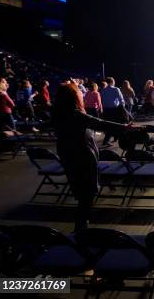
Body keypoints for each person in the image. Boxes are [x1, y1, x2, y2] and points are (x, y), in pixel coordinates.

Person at [52, 82, 130, 231]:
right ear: (73, 97)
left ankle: (81, 225)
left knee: (80, 189)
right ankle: (81, 228)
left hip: (66, 153)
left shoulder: (57, 113)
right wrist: (125, 127)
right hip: (82, 154)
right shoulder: (75, 114)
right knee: (87, 192)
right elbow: (100, 124)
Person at [99, 77, 126, 146]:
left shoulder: (103, 90)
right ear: (112, 82)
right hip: (114, 109)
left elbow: (102, 100)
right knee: (115, 124)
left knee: (110, 124)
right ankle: (107, 140)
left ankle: (115, 138)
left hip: (106, 109)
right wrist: (123, 107)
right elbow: (121, 99)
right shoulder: (116, 89)